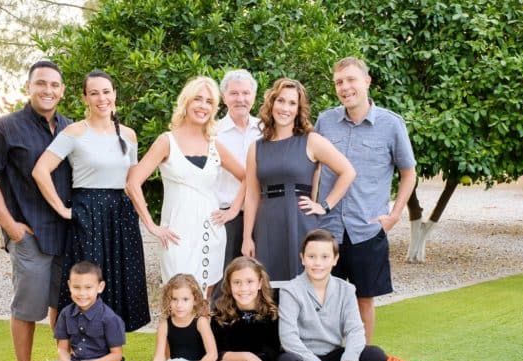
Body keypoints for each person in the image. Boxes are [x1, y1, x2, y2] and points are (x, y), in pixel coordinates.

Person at [32, 70, 150, 332]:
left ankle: (113, 357)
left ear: (114, 94)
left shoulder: (129, 136)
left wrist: (147, 220)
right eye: (94, 93)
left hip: (121, 213)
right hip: (89, 214)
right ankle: (80, 350)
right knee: (88, 282)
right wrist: (62, 209)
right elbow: (40, 171)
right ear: (85, 98)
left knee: (120, 283)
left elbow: (132, 180)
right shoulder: (74, 132)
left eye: (106, 91)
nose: (101, 98)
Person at [315, 57, 417, 344]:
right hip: (328, 230)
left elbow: (409, 173)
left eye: (351, 80)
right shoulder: (325, 121)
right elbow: (313, 167)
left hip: (367, 228)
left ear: (366, 82)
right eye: (339, 82)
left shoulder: (391, 124)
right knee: (324, 302)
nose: (345, 87)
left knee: (364, 301)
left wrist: (394, 215)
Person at [0, 60, 72, 361]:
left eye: (54, 85)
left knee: (64, 303)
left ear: (63, 91)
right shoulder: (4, 128)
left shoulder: (72, 128)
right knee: (28, 308)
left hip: (67, 232)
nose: (48, 90)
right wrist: (11, 226)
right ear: (28, 87)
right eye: (41, 83)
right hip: (28, 232)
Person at [126, 76, 246, 299]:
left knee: (204, 302)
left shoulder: (214, 144)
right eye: (198, 99)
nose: (203, 106)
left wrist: (232, 210)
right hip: (176, 235)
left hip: (211, 232)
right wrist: (151, 225)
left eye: (209, 101)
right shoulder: (166, 141)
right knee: (177, 300)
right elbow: (132, 183)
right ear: (186, 102)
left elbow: (247, 176)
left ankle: (204, 335)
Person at [241, 78, 356, 282]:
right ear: (272, 103)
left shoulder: (311, 141)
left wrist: (324, 206)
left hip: (300, 222)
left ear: (298, 109)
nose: (285, 108)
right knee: (268, 289)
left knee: (304, 289)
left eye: (292, 103)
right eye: (281, 101)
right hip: (267, 225)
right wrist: (247, 237)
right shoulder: (256, 148)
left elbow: (348, 171)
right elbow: (251, 196)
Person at [276, 229, 387, 361]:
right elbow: (288, 338)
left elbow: (355, 330)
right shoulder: (291, 290)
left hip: (332, 356)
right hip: (302, 359)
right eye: (311, 256)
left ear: (335, 259)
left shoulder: (346, 289)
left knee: (375, 356)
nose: (318, 263)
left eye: (325, 257)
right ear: (302, 259)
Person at [214, 69, 262, 270]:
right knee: (224, 279)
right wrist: (233, 209)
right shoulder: (212, 132)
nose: (240, 99)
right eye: (234, 93)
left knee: (260, 279)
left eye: (245, 93)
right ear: (224, 97)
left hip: (261, 215)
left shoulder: (265, 129)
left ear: (254, 96)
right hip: (226, 218)